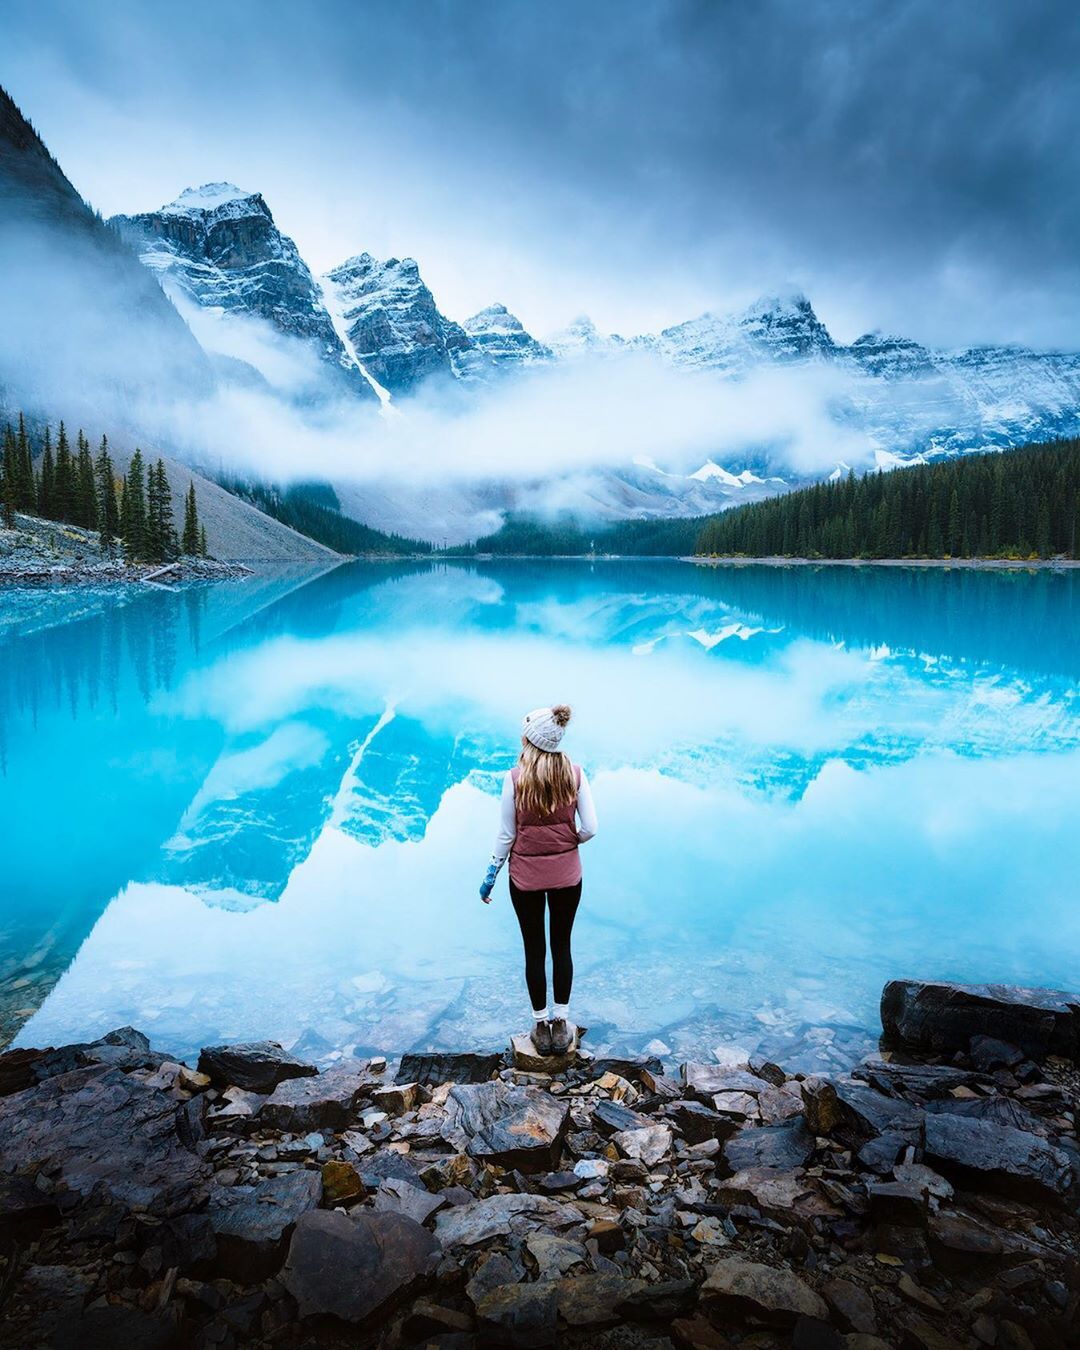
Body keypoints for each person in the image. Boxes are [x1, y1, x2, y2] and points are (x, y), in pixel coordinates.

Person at [479, 704, 598, 1055]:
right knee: (562, 945)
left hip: (525, 879)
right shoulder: (575, 774)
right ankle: (562, 1024)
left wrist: (490, 877)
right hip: (568, 876)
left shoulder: (515, 778)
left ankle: (540, 1026)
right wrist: (569, 841)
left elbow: (505, 835)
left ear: (530, 740)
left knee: (535, 949)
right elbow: (591, 827)